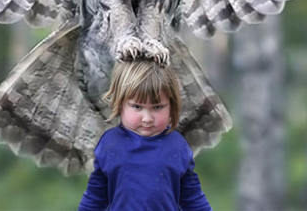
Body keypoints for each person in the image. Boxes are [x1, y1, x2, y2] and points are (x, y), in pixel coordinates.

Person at [77, 59, 212, 211]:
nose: (147, 118)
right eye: (137, 107)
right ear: (120, 104)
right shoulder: (110, 143)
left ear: (172, 106)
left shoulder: (177, 145)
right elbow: (95, 198)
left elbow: (193, 199)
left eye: (157, 107)